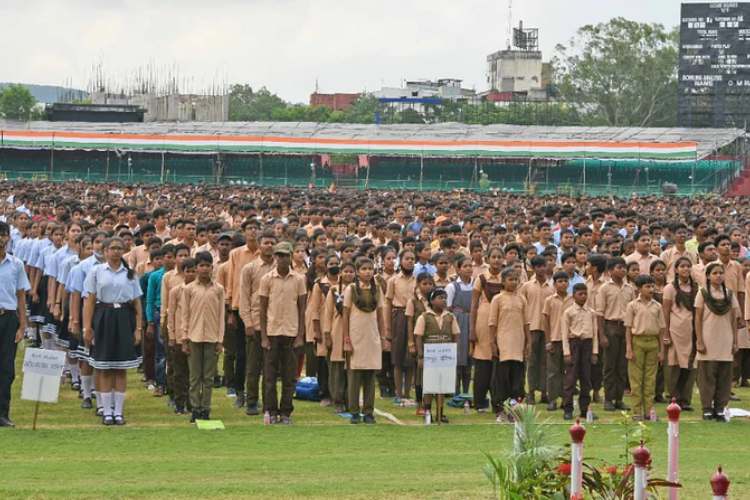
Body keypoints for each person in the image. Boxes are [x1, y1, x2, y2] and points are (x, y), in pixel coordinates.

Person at [83, 237, 144, 426]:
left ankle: (118, 412)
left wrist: (138, 328)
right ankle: (106, 410)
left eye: (119, 248)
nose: (116, 252)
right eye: (112, 248)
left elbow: (136, 303)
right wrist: (87, 326)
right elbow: (90, 301)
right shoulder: (96, 272)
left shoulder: (130, 274)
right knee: (104, 367)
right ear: (105, 251)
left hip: (124, 319)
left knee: (120, 367)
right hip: (104, 318)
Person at [259, 241, 306, 424]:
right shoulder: (267, 279)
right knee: (269, 376)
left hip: (291, 332)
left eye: (286, 255)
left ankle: (286, 412)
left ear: (291, 256)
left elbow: (302, 309)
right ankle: (270, 410)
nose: (282, 259)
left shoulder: (299, 279)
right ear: (275, 257)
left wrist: (300, 335)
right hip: (272, 332)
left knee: (289, 376)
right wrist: (263, 336)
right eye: (279, 255)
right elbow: (262, 309)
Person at [180, 252, 225, 422]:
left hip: (212, 338)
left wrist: (220, 340)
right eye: (201, 265)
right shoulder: (189, 289)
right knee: (194, 377)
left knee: (208, 377)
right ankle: (195, 409)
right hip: (194, 337)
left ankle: (205, 408)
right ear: (196, 268)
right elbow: (185, 315)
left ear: (212, 268)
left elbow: (221, 316)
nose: (204, 269)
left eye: (208, 265)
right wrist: (184, 338)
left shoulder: (219, 289)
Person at [238, 230, 277, 415]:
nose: (269, 246)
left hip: (276, 325)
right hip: (255, 323)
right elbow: (244, 298)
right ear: (259, 245)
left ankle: (269, 404)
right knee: (253, 367)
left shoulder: (282, 267)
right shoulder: (250, 269)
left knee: (271, 368)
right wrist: (248, 322)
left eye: (272, 243)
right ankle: (251, 401)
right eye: (266, 242)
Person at [695, 262, 741, 421]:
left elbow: (734, 320)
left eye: (721, 273)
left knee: (724, 377)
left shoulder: (729, 294)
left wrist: (735, 341)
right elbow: (698, 318)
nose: (718, 276)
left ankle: (720, 408)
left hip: (725, 339)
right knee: (707, 377)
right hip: (708, 339)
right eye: (714, 273)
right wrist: (699, 340)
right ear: (708, 276)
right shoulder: (702, 293)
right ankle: (707, 408)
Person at [343, 257, 386, 424]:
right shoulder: (351, 289)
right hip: (355, 336)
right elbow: (345, 315)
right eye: (364, 269)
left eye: (370, 268)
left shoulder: (377, 290)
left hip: (372, 337)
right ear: (357, 271)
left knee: (370, 376)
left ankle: (369, 412)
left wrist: (383, 337)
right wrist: (346, 338)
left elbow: (381, 315)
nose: (367, 272)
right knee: (354, 376)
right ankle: (354, 411)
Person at [488, 267, 529, 422]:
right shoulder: (497, 299)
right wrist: (493, 343)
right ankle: (500, 410)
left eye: (516, 279)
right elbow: (492, 323)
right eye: (510, 279)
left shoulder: (522, 299)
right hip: (503, 344)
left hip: (518, 344)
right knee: (501, 378)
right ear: (503, 282)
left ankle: (515, 410)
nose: (513, 282)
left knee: (517, 379)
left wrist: (528, 343)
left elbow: (526, 323)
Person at [0, 221, 30, 427]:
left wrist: (22, 325)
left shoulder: (16, 264)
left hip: (8, 318)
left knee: (7, 369)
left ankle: (2, 413)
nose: (1, 238)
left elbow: (21, 296)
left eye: (4, 235)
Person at [414, 287, 460, 423]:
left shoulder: (450, 317)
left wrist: (454, 351)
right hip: (430, 356)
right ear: (432, 301)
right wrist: (421, 356)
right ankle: (427, 411)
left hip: (445, 355)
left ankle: (440, 413)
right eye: (440, 298)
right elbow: (418, 336)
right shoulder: (424, 317)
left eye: (445, 298)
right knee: (429, 385)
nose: (444, 300)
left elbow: (456, 334)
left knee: (442, 385)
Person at [596, 257, 635, 411]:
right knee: (609, 366)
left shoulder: (629, 288)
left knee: (622, 366)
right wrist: (602, 335)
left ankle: (619, 399)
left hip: (625, 328)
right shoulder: (604, 288)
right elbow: (599, 313)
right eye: (619, 267)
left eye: (624, 267)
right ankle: (608, 398)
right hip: (610, 326)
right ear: (610, 271)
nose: (623, 270)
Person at [624, 275, 666, 421]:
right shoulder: (632, 305)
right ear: (639, 288)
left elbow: (661, 329)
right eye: (647, 286)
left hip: (653, 342)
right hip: (638, 342)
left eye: (652, 286)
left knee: (650, 379)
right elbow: (628, 328)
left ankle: (649, 411)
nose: (651, 289)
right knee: (636, 379)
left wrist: (661, 350)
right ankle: (636, 411)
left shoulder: (657, 306)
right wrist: (629, 348)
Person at [662, 256, 698, 411]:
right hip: (675, 331)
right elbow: (665, 312)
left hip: (692, 331)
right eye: (682, 266)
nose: (685, 269)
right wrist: (666, 333)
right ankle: (673, 397)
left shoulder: (696, 287)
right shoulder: (670, 288)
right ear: (676, 269)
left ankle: (685, 399)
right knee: (674, 365)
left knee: (690, 366)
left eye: (688, 266)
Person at [470, 246, 503, 412]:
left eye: (499, 257)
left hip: (501, 322)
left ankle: (498, 400)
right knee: (483, 362)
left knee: (499, 362)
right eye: (493, 257)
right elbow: (474, 305)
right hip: (483, 322)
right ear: (488, 259)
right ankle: (480, 401)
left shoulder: (507, 277)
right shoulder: (481, 278)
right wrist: (471, 329)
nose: (496, 260)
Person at [561, 283, 598, 421]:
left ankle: (585, 409)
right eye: (580, 294)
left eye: (585, 294)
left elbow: (595, 333)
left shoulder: (591, 312)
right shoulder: (568, 312)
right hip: (574, 345)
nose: (583, 297)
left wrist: (595, 352)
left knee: (586, 379)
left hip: (587, 345)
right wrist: (566, 352)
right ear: (573, 296)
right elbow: (564, 334)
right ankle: (568, 408)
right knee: (570, 379)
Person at [519, 255, 553, 405]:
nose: (541, 269)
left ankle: (545, 392)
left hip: (547, 328)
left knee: (546, 362)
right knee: (532, 362)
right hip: (531, 327)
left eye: (543, 266)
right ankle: (531, 392)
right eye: (537, 266)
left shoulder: (551, 287)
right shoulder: (526, 286)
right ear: (533, 268)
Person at [322, 260, 355, 413]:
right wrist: (327, 334)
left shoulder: (359, 290)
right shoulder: (334, 291)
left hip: (355, 333)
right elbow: (327, 314)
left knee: (352, 368)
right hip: (337, 331)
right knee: (336, 369)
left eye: (351, 271)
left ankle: (351, 400)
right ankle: (338, 400)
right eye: (346, 271)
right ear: (341, 273)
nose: (348, 274)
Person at [385, 249, 416, 402]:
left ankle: (408, 393)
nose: (410, 261)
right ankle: (398, 392)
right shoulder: (393, 280)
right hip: (398, 316)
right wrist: (388, 329)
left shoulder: (418, 279)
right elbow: (388, 303)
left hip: (415, 318)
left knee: (410, 358)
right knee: (397, 357)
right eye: (407, 258)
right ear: (401, 261)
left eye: (412, 259)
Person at [168, 257, 197, 415]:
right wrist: (171, 335)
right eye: (188, 271)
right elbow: (171, 314)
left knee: (194, 373)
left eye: (194, 271)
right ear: (182, 272)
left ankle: (192, 403)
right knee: (179, 372)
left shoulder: (199, 290)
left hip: (196, 336)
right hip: (179, 336)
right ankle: (179, 403)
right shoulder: (176, 291)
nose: (191, 274)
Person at [543, 271, 571, 411]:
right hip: (554, 339)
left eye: (565, 281)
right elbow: (546, 322)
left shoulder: (572, 300)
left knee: (568, 372)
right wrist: (548, 341)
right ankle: (552, 399)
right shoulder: (549, 300)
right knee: (553, 372)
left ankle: (566, 400)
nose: (563, 284)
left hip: (570, 341)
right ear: (554, 284)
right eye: (560, 281)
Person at [406, 272, 434, 413]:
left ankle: (429, 403)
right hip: (419, 341)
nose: (428, 286)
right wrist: (411, 342)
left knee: (431, 373)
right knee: (420, 373)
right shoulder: (413, 301)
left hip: (433, 341)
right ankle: (419, 404)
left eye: (430, 284)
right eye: (424, 284)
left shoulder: (435, 300)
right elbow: (410, 322)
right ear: (418, 285)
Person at [446, 255, 473, 395]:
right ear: (458, 269)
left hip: (472, 320)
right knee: (457, 356)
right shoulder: (452, 286)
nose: (469, 269)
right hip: (458, 321)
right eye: (465, 266)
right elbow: (448, 307)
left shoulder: (475, 284)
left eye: (470, 266)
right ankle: (455, 390)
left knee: (469, 356)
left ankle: (467, 390)